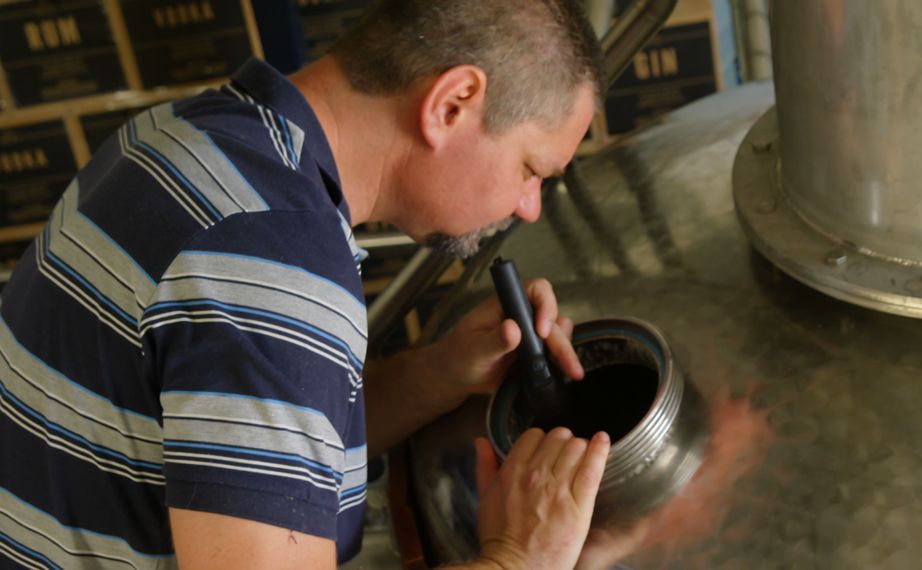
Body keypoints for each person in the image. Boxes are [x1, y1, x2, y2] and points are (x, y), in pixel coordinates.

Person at [0, 1, 610, 568]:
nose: (530, 206)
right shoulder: (273, 259)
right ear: (452, 103)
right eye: (531, 168)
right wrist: (518, 556)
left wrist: (437, 374)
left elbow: (244, 441)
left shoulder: (194, 132)